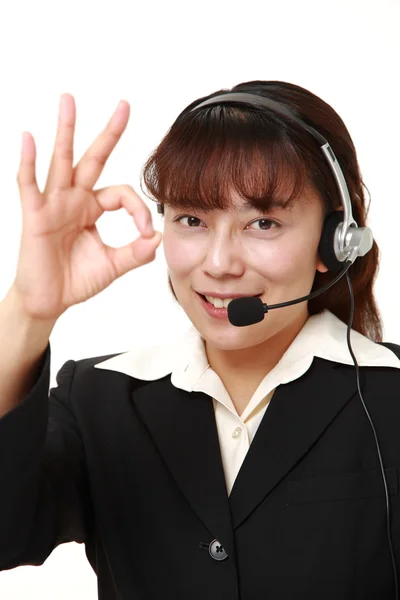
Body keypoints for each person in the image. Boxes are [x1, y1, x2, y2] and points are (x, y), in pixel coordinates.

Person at [0, 80, 400, 600]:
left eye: (262, 223)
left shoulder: (389, 398)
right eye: (191, 220)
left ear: (334, 241)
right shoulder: (99, 397)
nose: (218, 264)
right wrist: (27, 310)